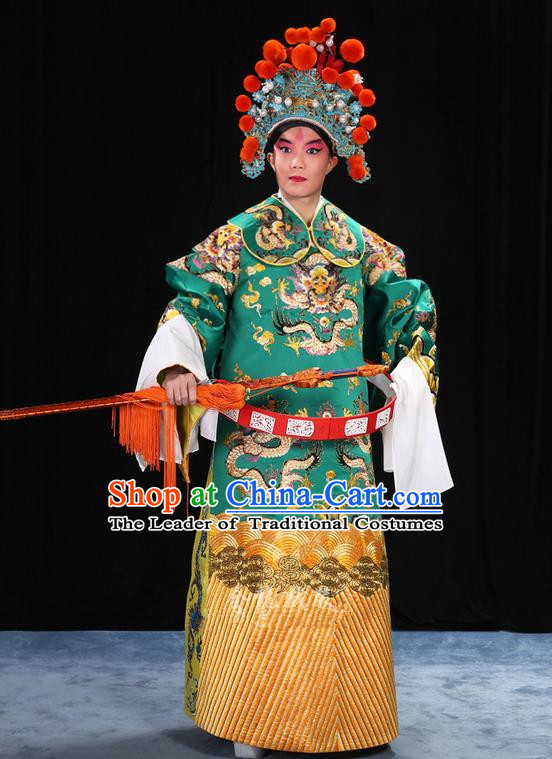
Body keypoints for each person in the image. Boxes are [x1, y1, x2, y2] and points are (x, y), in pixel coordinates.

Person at [135, 17, 451, 757]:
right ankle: (250, 714)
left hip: (337, 449)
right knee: (258, 569)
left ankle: (344, 716)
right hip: (255, 445)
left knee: (334, 575)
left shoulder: (363, 246)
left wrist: (406, 370)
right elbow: (192, 308)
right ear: (266, 152)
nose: (297, 161)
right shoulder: (235, 240)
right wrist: (178, 369)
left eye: (313, 148)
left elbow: (411, 312)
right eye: (285, 147)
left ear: (336, 156)